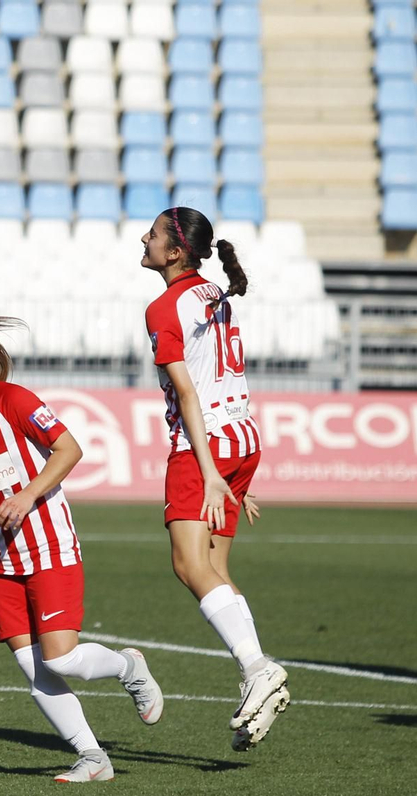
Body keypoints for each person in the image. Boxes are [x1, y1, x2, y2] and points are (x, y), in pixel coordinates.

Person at [0, 310, 163, 783]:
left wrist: (27, 495)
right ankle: (93, 757)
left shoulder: (12, 399)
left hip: (45, 545)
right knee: (34, 670)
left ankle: (129, 666)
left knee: (62, 658)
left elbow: (69, 449)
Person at [140, 207, 289, 751]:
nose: (145, 239)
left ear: (175, 251)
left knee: (188, 563)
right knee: (216, 567)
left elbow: (187, 393)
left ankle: (257, 669)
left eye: (153, 235)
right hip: (244, 436)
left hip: (208, 446)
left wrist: (209, 474)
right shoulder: (212, 294)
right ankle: (257, 687)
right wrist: (233, 473)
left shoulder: (164, 305)